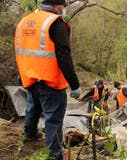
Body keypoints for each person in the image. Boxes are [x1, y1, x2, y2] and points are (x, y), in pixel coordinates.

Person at [14, 0, 81, 159]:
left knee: (33, 105)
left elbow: (21, 50)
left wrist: (21, 74)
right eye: (63, 6)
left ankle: (29, 134)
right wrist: (75, 84)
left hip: (30, 77)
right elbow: (64, 55)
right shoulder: (56, 23)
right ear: (57, 5)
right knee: (53, 119)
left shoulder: (26, 21)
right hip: (50, 81)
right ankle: (55, 155)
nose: (63, 10)